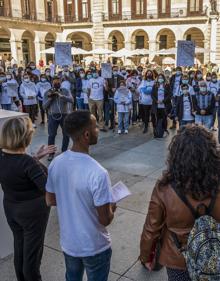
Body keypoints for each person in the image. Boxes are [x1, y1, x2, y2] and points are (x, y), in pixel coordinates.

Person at [140, 125, 220, 281]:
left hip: (177, 259)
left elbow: (151, 228)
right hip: (215, 257)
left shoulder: (164, 188)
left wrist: (146, 256)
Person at [45, 110, 116, 281]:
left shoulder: (56, 162)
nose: (98, 129)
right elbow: (105, 219)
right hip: (95, 247)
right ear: (86, 134)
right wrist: (112, 205)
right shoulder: (98, 172)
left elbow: (50, 199)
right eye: (95, 127)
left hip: (69, 244)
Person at [0, 116, 56, 281]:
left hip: (11, 209)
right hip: (32, 214)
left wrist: (36, 158)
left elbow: (15, 170)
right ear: (25, 136)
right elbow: (49, 190)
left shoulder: (4, 156)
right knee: (32, 256)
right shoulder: (27, 163)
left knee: (20, 248)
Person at [43, 76, 74, 161]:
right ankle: (51, 153)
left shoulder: (65, 91)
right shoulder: (47, 92)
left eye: (58, 82)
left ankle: (64, 151)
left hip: (64, 115)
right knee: (51, 135)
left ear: (61, 82)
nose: (56, 84)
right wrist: (50, 99)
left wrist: (62, 96)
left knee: (66, 134)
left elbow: (72, 100)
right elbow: (44, 106)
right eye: (55, 82)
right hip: (52, 116)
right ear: (52, 83)